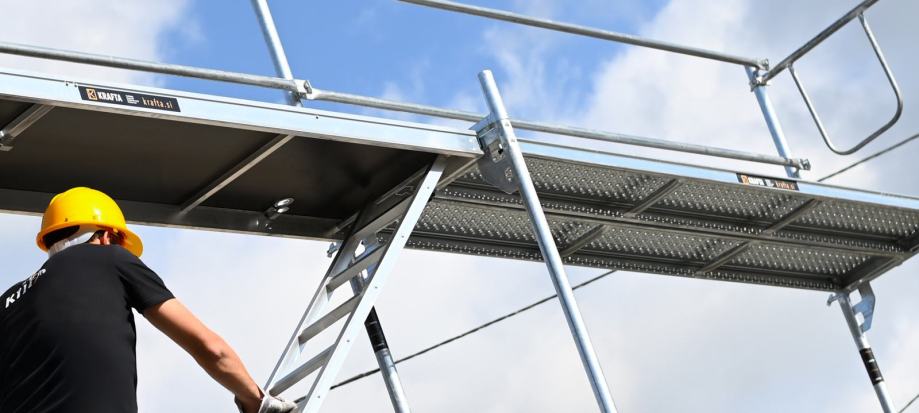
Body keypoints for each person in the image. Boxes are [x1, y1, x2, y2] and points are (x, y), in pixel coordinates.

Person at [0, 187, 297, 413]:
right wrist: (257, 401)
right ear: (107, 236)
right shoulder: (109, 259)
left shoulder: (7, 303)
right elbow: (210, 348)